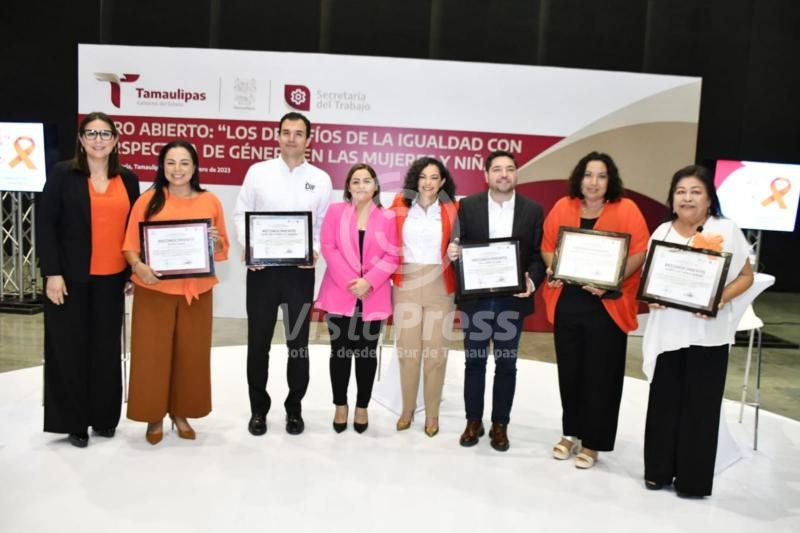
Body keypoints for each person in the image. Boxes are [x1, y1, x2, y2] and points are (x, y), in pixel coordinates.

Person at [642, 164, 753, 497]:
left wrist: (719, 298)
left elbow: (745, 276)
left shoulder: (726, 229)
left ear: (708, 198)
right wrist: (652, 297)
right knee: (664, 403)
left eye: (695, 192)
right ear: (672, 198)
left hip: (708, 335)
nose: (687, 198)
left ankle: (692, 480)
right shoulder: (662, 232)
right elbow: (650, 278)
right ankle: (657, 471)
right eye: (680, 192)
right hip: (668, 334)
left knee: (700, 409)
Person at [38, 111, 140, 448]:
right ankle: (74, 422)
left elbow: (134, 229)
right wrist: (52, 273)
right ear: (81, 140)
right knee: (69, 349)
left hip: (112, 280)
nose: (99, 140)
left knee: (105, 350)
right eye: (92, 134)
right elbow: (46, 225)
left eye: (105, 134)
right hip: (69, 279)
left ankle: (104, 417)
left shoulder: (128, 179)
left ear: (115, 140)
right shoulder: (62, 174)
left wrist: (132, 270)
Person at [541, 152, 649, 469]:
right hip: (569, 303)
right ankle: (571, 432)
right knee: (570, 372)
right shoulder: (564, 206)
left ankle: (593, 442)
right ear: (579, 178)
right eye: (588, 175)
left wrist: (612, 279)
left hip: (607, 306)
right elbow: (547, 247)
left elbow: (639, 252)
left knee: (602, 376)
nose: (594, 182)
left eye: (601, 176)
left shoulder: (627, 209)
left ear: (610, 180)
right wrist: (555, 268)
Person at [123, 140, 229, 445]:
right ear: (162, 166)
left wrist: (215, 242)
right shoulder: (148, 200)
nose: (177, 169)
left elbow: (222, 247)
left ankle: (181, 413)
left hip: (196, 293)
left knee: (191, 356)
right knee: (151, 355)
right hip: (154, 291)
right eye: (171, 162)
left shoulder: (210, 200)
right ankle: (153, 415)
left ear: (194, 167)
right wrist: (138, 266)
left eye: (184, 163)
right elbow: (130, 245)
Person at [233, 112, 332, 436]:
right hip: (262, 272)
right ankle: (258, 410)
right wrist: (249, 247)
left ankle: (294, 409)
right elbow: (241, 212)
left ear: (308, 140)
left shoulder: (320, 179)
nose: (292, 138)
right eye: (286, 132)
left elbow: (323, 223)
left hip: (299, 274)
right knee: (258, 344)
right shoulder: (258, 172)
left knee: (298, 344)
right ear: (278, 136)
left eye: (298, 133)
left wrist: (313, 249)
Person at [447, 150, 545, 451]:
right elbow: (458, 245)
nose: (504, 174)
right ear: (486, 175)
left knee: (506, 364)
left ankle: (500, 424)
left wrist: (531, 281)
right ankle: (473, 421)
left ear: (516, 174)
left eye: (510, 169)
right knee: (474, 362)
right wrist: (453, 252)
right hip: (477, 301)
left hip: (511, 302)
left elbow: (537, 256)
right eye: (497, 169)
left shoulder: (533, 210)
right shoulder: (468, 206)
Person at [315, 164, 399, 433]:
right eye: (355, 181)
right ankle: (340, 405)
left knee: (366, 354)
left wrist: (369, 282)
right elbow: (328, 247)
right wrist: (352, 282)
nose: (361, 186)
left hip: (373, 295)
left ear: (375, 186)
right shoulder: (335, 212)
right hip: (340, 293)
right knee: (340, 353)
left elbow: (393, 255)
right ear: (348, 187)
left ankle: (362, 406)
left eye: (366, 181)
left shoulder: (387, 217)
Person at [390, 157, 459, 437]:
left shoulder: (453, 209)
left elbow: (465, 243)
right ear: (414, 180)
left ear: (442, 182)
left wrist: (458, 251)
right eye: (423, 177)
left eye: (434, 177)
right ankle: (407, 410)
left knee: (435, 354)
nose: (428, 183)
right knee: (408, 352)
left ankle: (432, 414)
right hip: (406, 283)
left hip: (440, 285)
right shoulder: (399, 204)